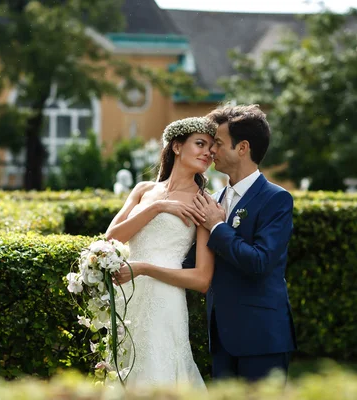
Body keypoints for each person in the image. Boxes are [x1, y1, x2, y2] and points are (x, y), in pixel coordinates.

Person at [105, 116, 217, 388]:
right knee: (123, 369)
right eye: (200, 144)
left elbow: (202, 280)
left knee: (159, 371)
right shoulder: (144, 190)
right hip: (127, 294)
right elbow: (111, 238)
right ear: (177, 147)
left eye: (211, 149)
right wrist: (158, 207)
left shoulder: (204, 203)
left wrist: (143, 268)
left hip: (164, 299)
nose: (207, 153)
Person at [191, 104, 298, 382]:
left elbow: (259, 262)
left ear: (242, 148)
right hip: (221, 337)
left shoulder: (276, 199)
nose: (211, 150)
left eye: (219, 143)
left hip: (262, 338)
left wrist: (216, 226)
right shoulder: (212, 199)